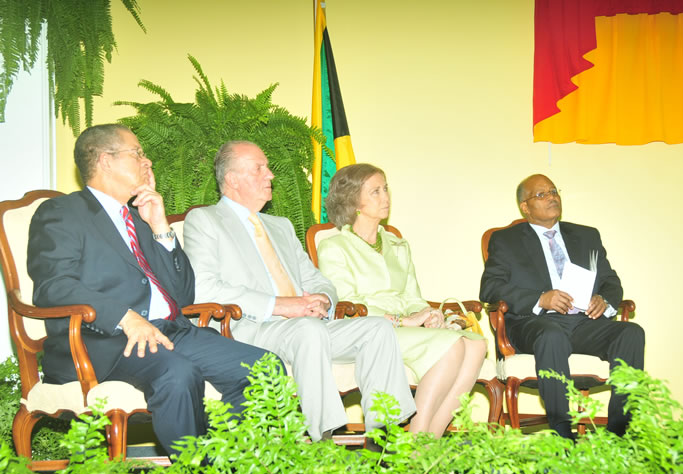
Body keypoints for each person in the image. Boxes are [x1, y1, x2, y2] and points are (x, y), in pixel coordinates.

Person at [27, 124, 275, 457]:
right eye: (137, 153)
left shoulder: (140, 218)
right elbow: (54, 286)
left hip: (174, 333)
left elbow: (185, 295)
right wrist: (124, 317)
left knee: (265, 368)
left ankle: (225, 467)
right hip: (105, 342)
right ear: (105, 160)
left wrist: (160, 226)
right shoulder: (62, 213)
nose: (148, 161)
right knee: (178, 372)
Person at [182, 141, 416, 442]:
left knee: (378, 329)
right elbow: (204, 287)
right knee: (308, 330)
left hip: (307, 325)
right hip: (251, 328)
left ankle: (385, 440)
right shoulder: (205, 221)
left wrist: (323, 298)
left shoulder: (280, 225)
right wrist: (282, 305)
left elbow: (316, 279)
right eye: (259, 168)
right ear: (232, 179)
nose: (271, 175)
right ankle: (322, 440)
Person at [317, 163, 487, 438]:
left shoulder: (398, 245)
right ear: (353, 201)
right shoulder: (334, 246)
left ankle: (429, 441)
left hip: (405, 328)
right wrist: (403, 320)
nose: (385, 197)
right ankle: (418, 442)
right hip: (370, 330)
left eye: (385, 188)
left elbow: (411, 297)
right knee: (454, 346)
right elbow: (345, 305)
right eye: (375, 191)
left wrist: (428, 313)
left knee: (477, 346)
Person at [479, 173, 644, 439]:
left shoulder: (587, 236)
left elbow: (610, 282)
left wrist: (604, 300)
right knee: (551, 335)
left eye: (554, 191)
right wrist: (540, 298)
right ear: (525, 206)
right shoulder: (506, 240)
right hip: (532, 324)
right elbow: (490, 288)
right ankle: (562, 435)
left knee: (631, 333)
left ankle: (620, 434)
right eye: (542, 194)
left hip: (582, 323)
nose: (553, 197)